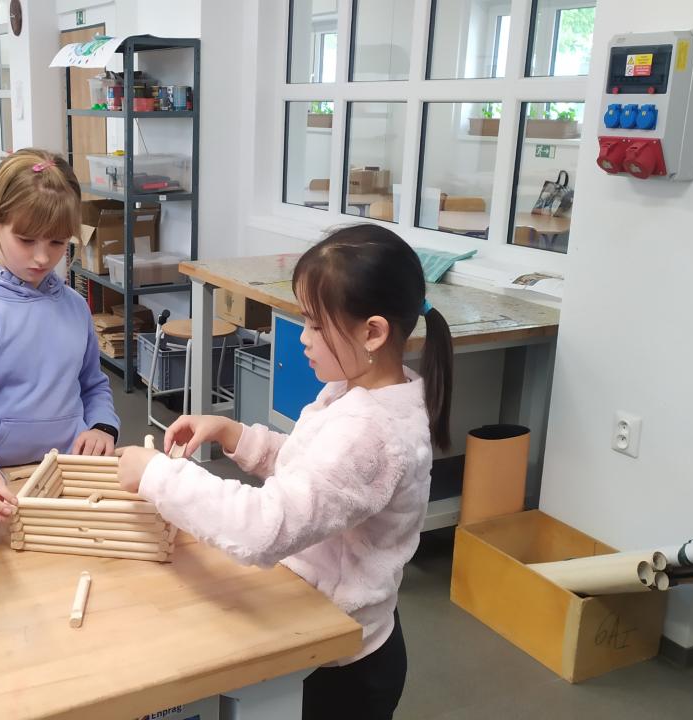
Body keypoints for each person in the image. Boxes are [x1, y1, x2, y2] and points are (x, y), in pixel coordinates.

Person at [117, 224, 455, 718]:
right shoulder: (364, 389)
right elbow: (316, 473)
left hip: (340, 661)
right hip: (329, 625)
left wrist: (156, 476)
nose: (303, 338)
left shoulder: (371, 431)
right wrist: (234, 434)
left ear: (373, 332)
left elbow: (265, 527)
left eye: (315, 325)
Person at [0, 149, 120, 518]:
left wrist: (102, 427)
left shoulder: (73, 306)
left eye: (57, 243)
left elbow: (92, 385)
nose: (42, 258)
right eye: (26, 240)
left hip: (68, 477)